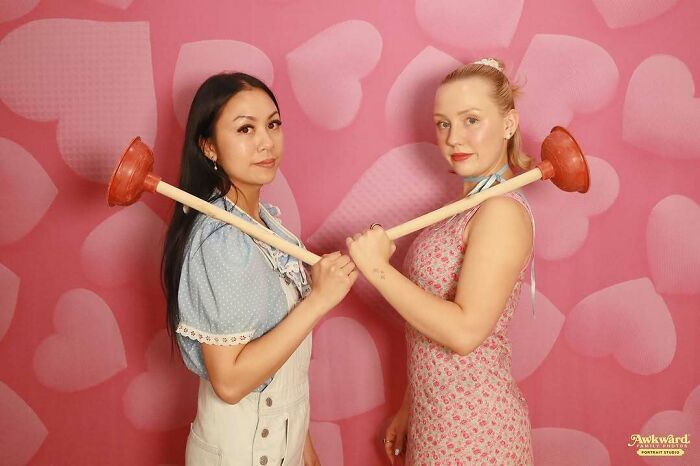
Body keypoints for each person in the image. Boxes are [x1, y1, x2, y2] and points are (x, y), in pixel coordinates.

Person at [161, 72, 357, 466]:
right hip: (240, 453)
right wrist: (318, 301)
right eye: (245, 129)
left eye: (273, 124)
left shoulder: (266, 222)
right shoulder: (220, 240)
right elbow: (230, 382)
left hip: (282, 444)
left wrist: (306, 452)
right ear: (209, 146)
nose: (266, 141)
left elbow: (284, 369)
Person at [346, 58, 535, 465]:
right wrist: (410, 406)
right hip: (439, 423)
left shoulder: (501, 212)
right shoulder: (463, 208)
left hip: (479, 433)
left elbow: (465, 332)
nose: (454, 137)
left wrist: (378, 270)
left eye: (471, 120)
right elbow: (428, 321)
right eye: (443, 123)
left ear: (508, 124)